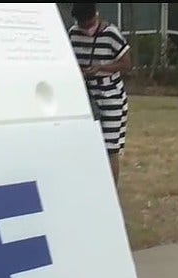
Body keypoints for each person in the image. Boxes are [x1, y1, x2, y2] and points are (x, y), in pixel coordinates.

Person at [69, 2, 133, 186]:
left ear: (96, 16)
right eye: (82, 24)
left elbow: (127, 64)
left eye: (89, 23)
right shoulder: (73, 33)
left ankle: (112, 189)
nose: (86, 28)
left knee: (109, 147)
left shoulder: (111, 34)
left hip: (109, 94)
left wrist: (101, 68)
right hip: (86, 94)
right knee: (87, 144)